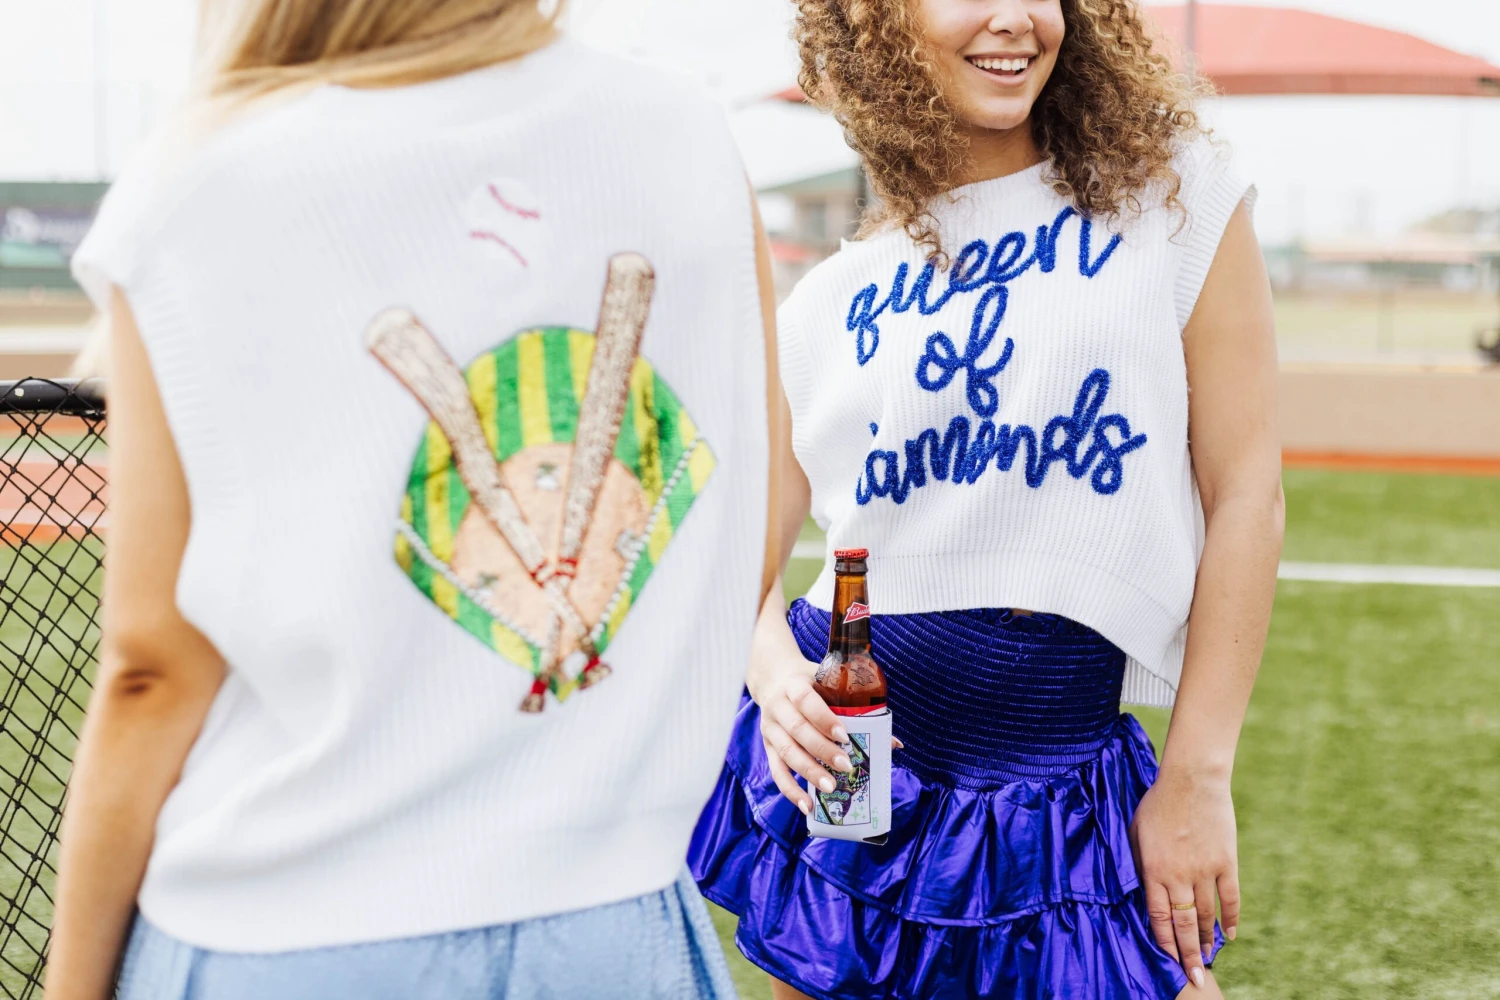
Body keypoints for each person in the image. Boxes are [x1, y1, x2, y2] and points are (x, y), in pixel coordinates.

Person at [48, 1, 783, 997]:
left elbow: (154, 672)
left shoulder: (203, 181)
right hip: (616, 930)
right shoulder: (687, 132)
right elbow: (769, 489)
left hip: (286, 937)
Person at [689, 0, 1282, 998]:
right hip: (857, 773)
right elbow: (733, 564)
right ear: (876, 22)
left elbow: (1248, 490)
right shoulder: (830, 302)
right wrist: (773, 671)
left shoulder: (1176, 200)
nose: (1015, 19)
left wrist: (1197, 774)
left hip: (1065, 767)